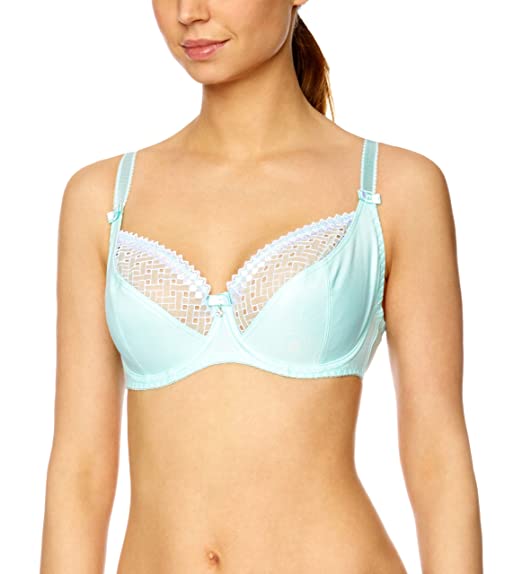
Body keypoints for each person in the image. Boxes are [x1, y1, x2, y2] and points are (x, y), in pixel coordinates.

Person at [40, 1, 483, 572]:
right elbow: (79, 470)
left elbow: (436, 454)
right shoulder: (102, 198)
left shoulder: (396, 188)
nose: (189, 12)